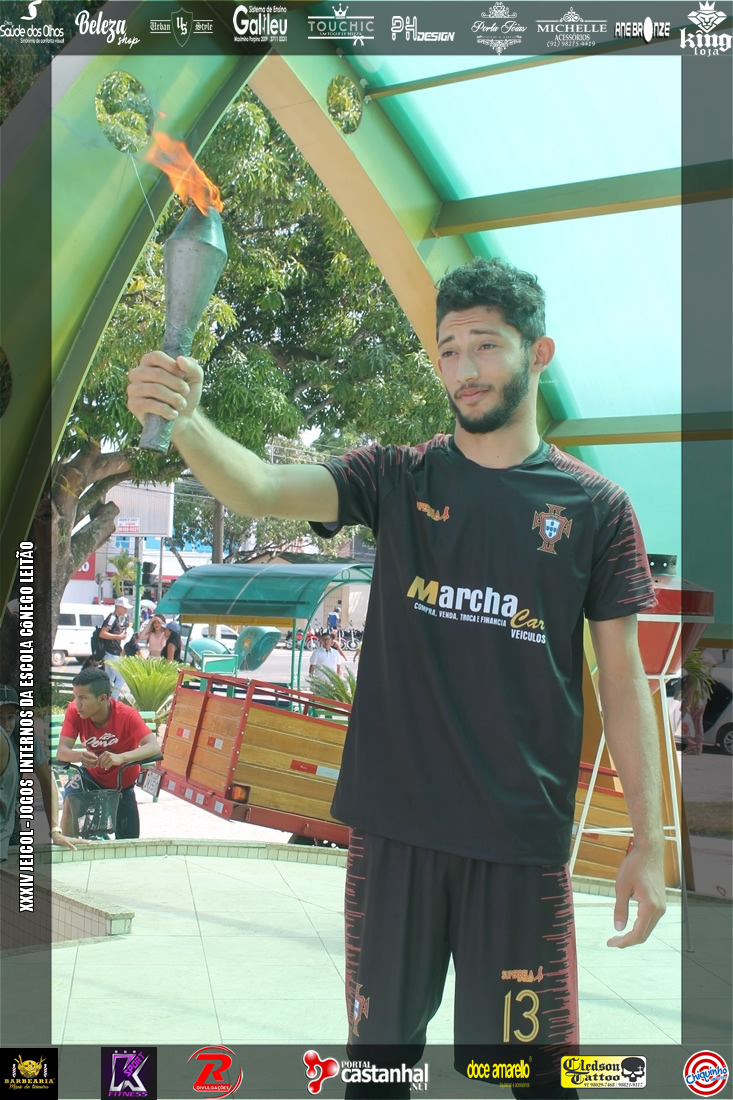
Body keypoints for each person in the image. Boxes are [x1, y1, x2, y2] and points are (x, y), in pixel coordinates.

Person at [128, 257, 666, 1099]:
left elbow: (623, 683)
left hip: (518, 845)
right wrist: (188, 421)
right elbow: (262, 487)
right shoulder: (395, 477)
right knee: (379, 1072)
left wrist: (648, 841)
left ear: (538, 353)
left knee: (531, 1078)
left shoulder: (595, 508)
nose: (463, 369)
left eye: (484, 346)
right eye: (447, 350)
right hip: (393, 834)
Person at [57, 668, 159, 840]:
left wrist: (121, 757)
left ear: (102, 698)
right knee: (71, 799)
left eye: (83, 697)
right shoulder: (74, 711)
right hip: (90, 777)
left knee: (129, 842)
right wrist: (80, 756)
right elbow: (62, 752)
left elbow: (154, 747)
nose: (77, 703)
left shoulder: (127, 715)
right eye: (75, 696)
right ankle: (68, 848)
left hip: (122, 785)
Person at [0, 684, 78, 856]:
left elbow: (47, 780)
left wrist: (55, 831)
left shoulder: (22, 733)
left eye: (10, 717)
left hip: (8, 814)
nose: (5, 725)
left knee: (14, 859)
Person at [98, 597, 132, 699]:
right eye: (124, 608)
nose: (126, 610)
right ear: (119, 607)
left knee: (109, 679)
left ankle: (107, 701)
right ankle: (114, 700)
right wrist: (119, 636)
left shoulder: (115, 618)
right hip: (111, 654)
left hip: (110, 654)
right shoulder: (112, 618)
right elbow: (102, 633)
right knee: (121, 677)